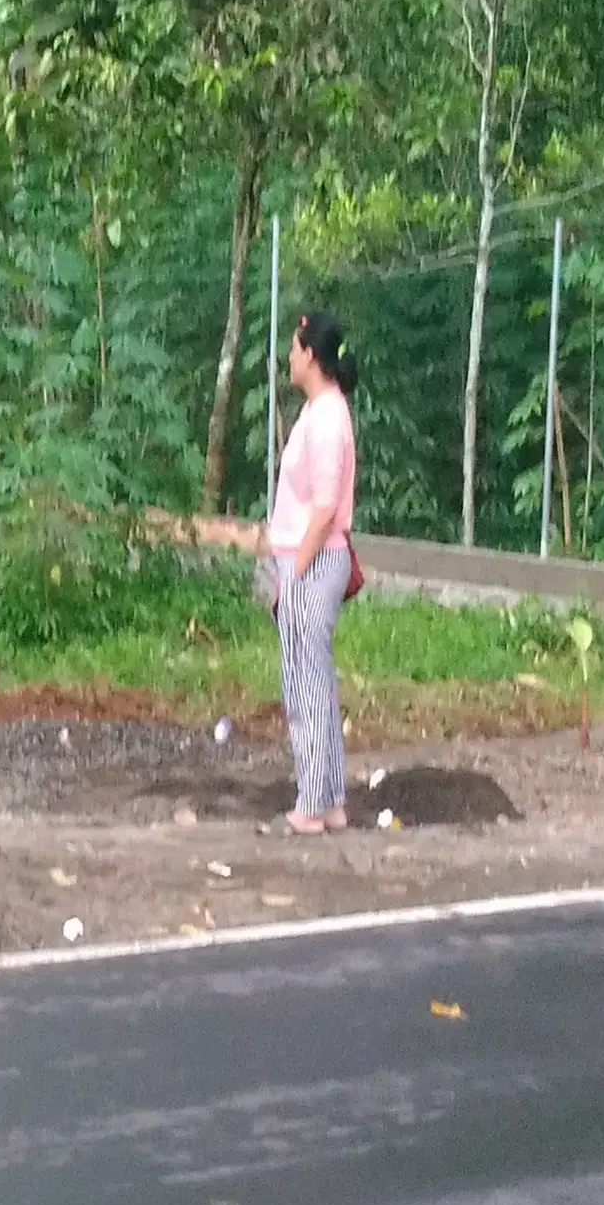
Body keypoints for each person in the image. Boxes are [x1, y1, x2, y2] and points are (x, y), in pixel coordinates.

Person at [267, 309, 359, 832]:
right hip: (309, 558)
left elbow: (324, 508)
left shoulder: (326, 420)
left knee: (306, 682)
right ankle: (328, 798)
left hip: (313, 560)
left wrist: (295, 570)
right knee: (309, 677)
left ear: (312, 357)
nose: (289, 357)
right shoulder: (322, 412)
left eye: (294, 348)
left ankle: (312, 802)